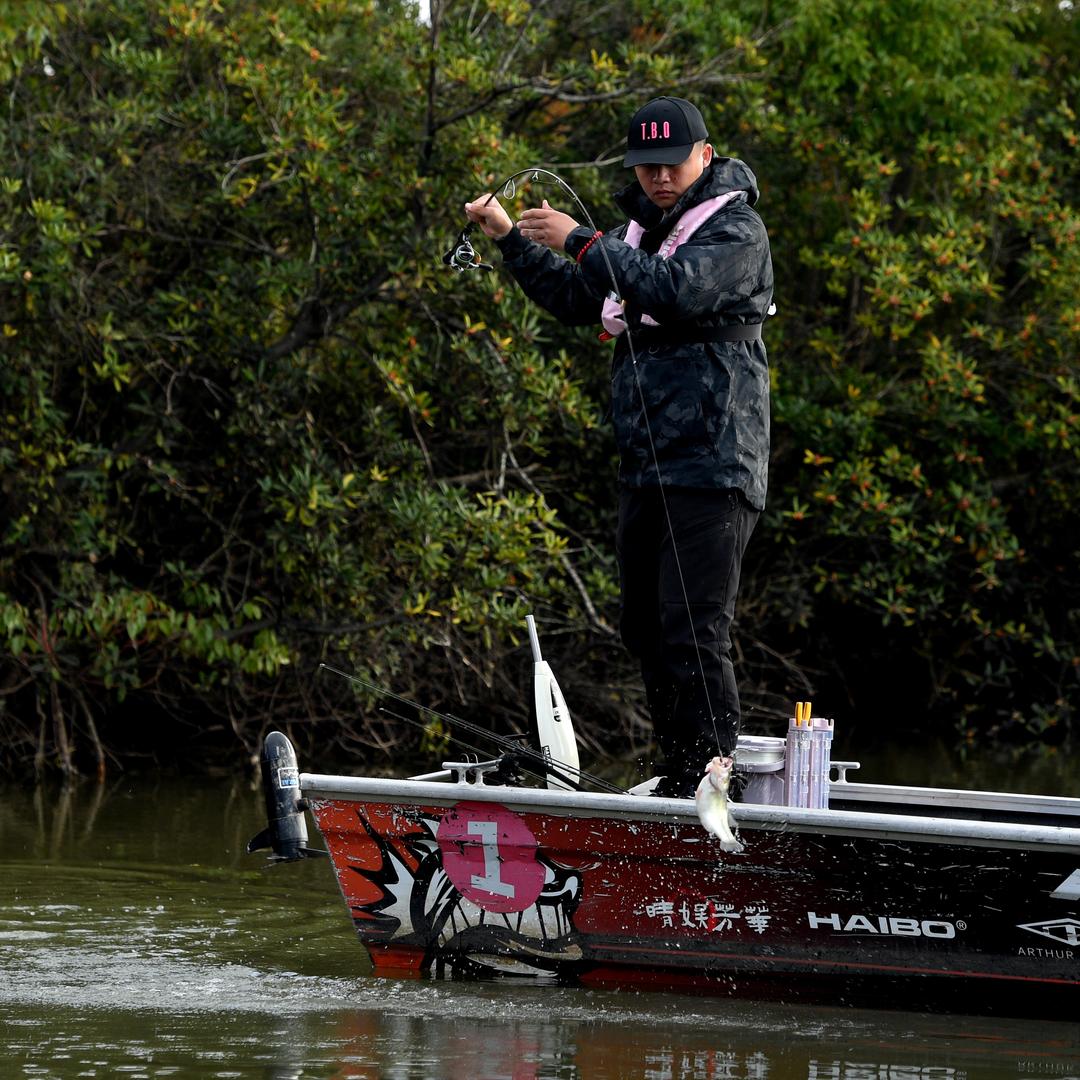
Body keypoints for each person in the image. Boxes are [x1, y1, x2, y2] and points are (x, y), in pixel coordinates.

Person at [465, 96, 773, 797]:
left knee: (694, 632)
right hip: (648, 465)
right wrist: (513, 237)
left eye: (671, 165)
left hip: (717, 459)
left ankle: (712, 787)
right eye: (645, 168)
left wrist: (580, 239)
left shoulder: (737, 229)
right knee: (644, 627)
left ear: (706, 154)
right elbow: (581, 301)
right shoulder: (636, 234)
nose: (659, 179)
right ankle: (680, 776)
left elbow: (679, 291)